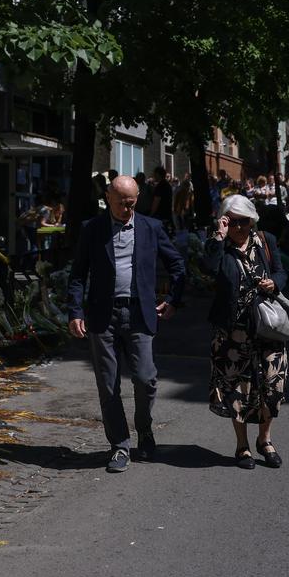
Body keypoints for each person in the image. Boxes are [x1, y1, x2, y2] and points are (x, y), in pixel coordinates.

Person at [68, 175, 187, 472]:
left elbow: (177, 265)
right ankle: (120, 446)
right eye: (121, 202)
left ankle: (144, 430)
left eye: (131, 202)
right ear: (108, 197)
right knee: (108, 386)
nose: (126, 208)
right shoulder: (92, 229)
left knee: (146, 379)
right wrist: (75, 311)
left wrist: (173, 299)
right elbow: (78, 274)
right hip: (102, 316)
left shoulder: (151, 228)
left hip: (139, 314)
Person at [208, 194, 289, 469]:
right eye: (232, 222)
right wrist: (218, 238)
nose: (239, 228)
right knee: (237, 389)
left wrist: (274, 284)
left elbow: (283, 272)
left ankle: (264, 440)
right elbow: (209, 270)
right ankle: (242, 446)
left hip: (267, 328)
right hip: (234, 332)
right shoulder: (220, 246)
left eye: (244, 221)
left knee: (271, 384)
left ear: (252, 220)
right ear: (224, 221)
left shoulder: (266, 241)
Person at [150, 165, 174, 233]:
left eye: (154, 174)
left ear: (158, 174)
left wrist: (151, 214)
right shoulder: (167, 185)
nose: (153, 175)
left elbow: (156, 201)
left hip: (160, 215)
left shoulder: (160, 186)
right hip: (167, 214)